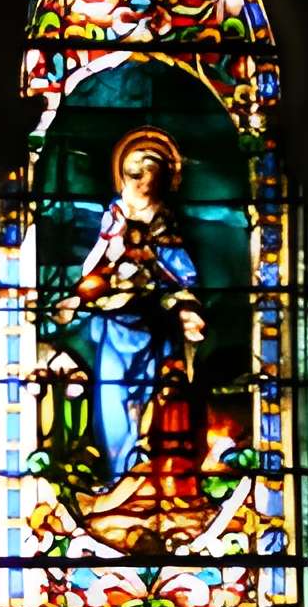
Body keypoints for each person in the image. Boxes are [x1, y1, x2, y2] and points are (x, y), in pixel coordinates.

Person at [59, 130, 207, 491]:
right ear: (122, 177)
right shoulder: (114, 216)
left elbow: (183, 272)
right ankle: (119, 475)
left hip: (155, 326)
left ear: (163, 180)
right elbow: (93, 266)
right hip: (115, 323)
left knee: (151, 399)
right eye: (133, 174)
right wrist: (108, 255)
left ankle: (149, 472)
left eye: (148, 174)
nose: (140, 181)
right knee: (111, 398)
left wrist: (156, 264)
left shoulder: (165, 222)